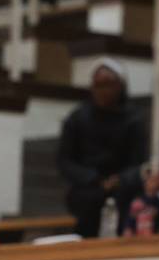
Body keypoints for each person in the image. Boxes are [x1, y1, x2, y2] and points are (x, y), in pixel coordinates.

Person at [57, 57, 148, 238]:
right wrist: (94, 179)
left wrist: (118, 180)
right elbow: (64, 160)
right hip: (88, 187)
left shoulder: (134, 119)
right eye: (98, 85)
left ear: (120, 86)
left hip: (122, 187)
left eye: (108, 84)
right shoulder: (77, 118)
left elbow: (140, 163)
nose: (102, 91)